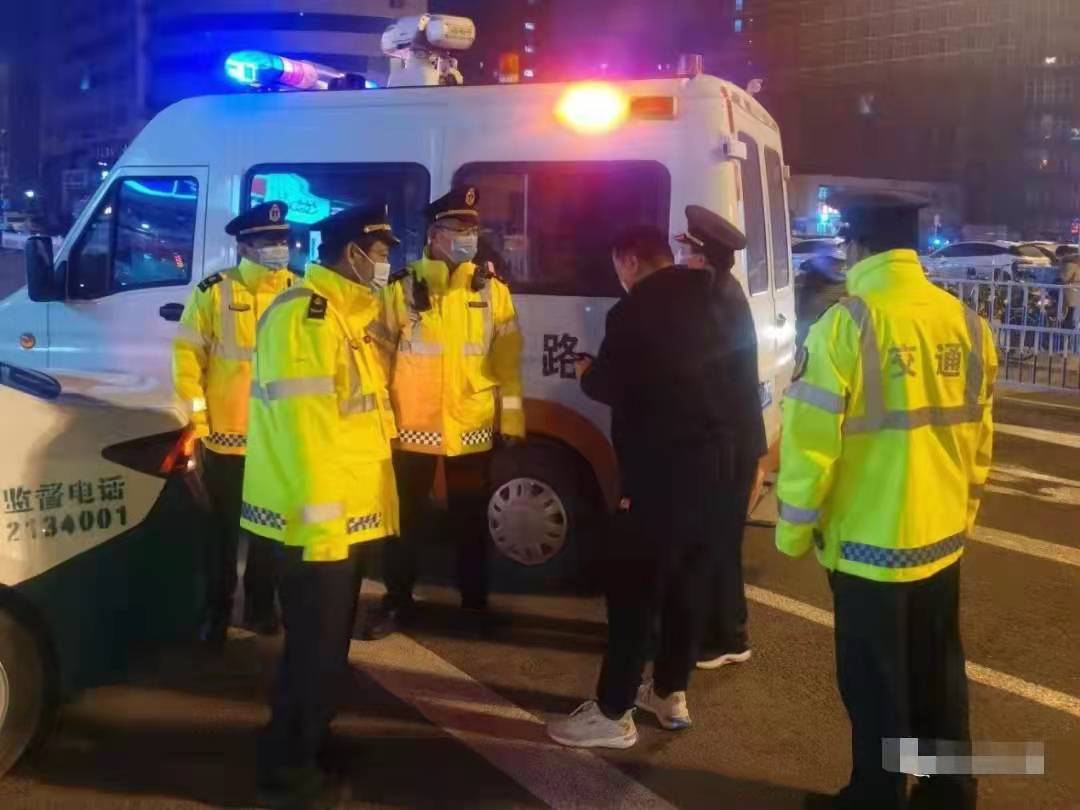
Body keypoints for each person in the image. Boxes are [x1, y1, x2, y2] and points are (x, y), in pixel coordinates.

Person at [777, 195, 994, 810]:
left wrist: (793, 530)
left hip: (869, 547)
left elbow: (810, 445)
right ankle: (949, 792)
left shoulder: (848, 324)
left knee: (876, 680)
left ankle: (877, 797)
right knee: (938, 670)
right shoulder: (967, 324)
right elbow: (980, 437)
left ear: (858, 248)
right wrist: (964, 513)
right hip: (941, 538)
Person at [546, 224, 742, 748]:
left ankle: (612, 713)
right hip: (716, 470)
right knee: (687, 588)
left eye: (619, 267)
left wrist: (587, 372)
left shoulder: (634, 310)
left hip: (658, 474)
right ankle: (670, 692)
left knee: (634, 594)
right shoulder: (719, 297)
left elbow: (616, 385)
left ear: (629, 261)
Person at [241, 204, 401, 802]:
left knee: (326, 652)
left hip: (337, 520)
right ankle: (288, 773)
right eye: (378, 254)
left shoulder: (343, 315)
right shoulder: (306, 317)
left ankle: (310, 744)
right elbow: (307, 434)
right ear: (350, 253)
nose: (384, 265)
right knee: (312, 654)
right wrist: (326, 528)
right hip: (314, 526)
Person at [365, 187, 525, 639]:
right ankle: (398, 602)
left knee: (471, 521)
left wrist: (511, 416)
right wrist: (381, 420)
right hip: (411, 426)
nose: (469, 237)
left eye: (473, 229)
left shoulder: (492, 290)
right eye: (459, 229)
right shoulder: (401, 288)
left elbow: (507, 358)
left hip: (471, 424)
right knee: (405, 523)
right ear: (435, 235)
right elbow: (376, 360)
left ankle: (474, 606)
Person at [172, 201, 293, 645]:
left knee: (269, 532)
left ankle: (261, 608)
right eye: (268, 241)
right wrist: (200, 424)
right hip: (227, 439)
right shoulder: (214, 291)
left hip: (278, 440)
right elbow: (188, 361)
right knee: (220, 536)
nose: (278, 247)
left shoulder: (299, 292)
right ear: (243, 247)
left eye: (282, 240)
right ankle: (216, 612)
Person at [674, 205, 768, 670]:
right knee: (721, 540)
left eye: (687, 250)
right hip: (735, 439)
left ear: (703, 256)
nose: (681, 257)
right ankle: (728, 633)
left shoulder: (715, 302)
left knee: (714, 539)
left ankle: (724, 637)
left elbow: (705, 379)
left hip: (725, 443)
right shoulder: (723, 294)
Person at [795, 242, 848, 348]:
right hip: (814, 329)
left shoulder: (809, 279)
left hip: (813, 330)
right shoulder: (817, 281)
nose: (839, 267)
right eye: (836, 263)